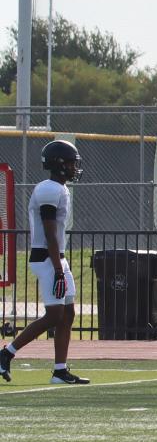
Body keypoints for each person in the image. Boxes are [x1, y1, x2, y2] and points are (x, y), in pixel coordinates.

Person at [0, 140, 89, 386]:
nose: (74, 168)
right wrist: (58, 270)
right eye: (70, 163)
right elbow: (50, 233)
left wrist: (60, 264)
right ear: (58, 164)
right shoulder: (48, 189)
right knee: (54, 315)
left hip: (56, 257)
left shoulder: (59, 188)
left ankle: (60, 370)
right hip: (47, 258)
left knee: (68, 313)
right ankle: (7, 353)